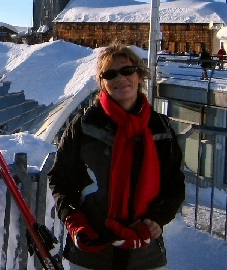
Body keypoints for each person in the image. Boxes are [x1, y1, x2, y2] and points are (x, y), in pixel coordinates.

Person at [48, 42, 185, 270]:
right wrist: (74, 220)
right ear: (103, 83)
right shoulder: (84, 126)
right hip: (93, 248)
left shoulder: (160, 128)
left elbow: (174, 182)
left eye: (127, 70)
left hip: (144, 251)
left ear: (139, 75)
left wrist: (157, 219)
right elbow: (61, 177)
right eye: (110, 74)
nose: (120, 78)